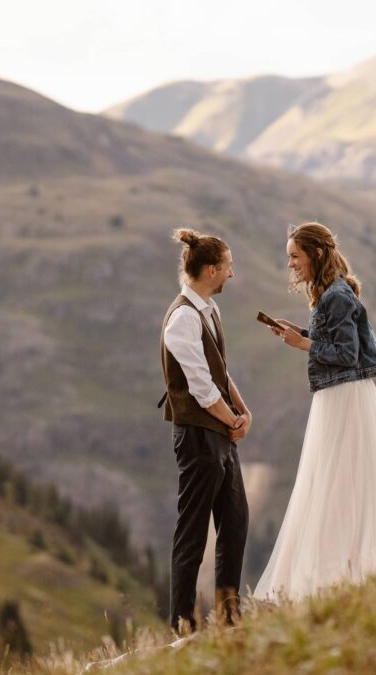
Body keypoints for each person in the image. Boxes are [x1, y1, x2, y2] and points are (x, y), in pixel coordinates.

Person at [252, 222, 376, 602]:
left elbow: (347, 354)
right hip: (338, 395)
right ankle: (345, 565)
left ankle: (344, 567)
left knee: (339, 477)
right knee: (341, 477)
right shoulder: (332, 293)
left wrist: (303, 344)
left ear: (316, 254)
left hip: (344, 397)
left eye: (295, 256)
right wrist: (302, 333)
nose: (291, 265)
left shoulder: (335, 295)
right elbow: (334, 339)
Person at [160, 228, 251, 633]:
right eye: (228, 268)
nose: (231, 275)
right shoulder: (182, 317)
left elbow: (219, 372)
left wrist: (242, 410)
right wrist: (231, 420)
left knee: (235, 522)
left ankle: (230, 615)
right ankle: (182, 623)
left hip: (219, 433)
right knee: (193, 531)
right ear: (212, 269)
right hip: (198, 437)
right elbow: (199, 387)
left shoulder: (209, 311)